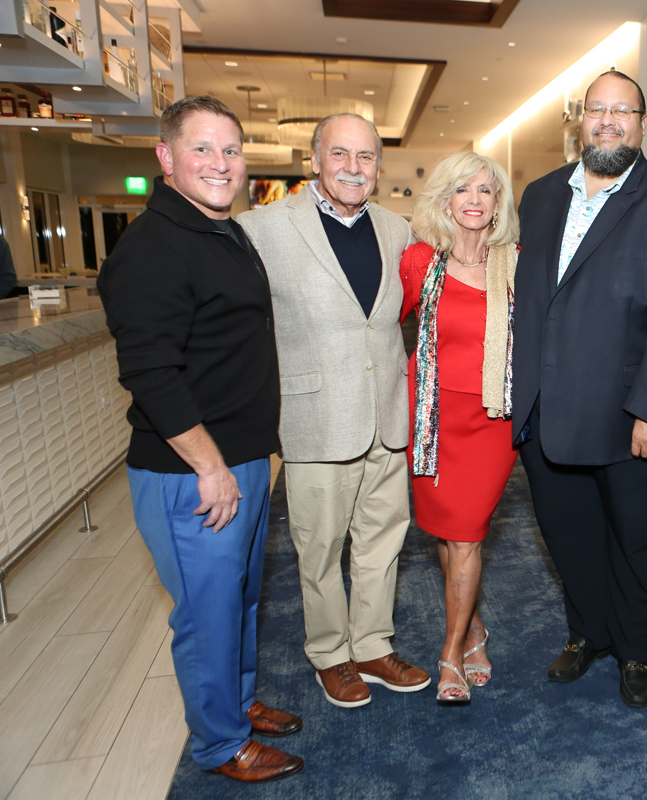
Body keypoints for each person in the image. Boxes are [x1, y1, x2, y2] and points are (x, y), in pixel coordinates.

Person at [98, 96, 302, 783]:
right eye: (203, 149)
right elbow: (150, 374)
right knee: (208, 613)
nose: (221, 164)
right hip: (191, 470)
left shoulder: (221, 230)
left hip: (240, 458)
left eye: (231, 150)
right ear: (166, 157)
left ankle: (235, 705)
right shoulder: (151, 248)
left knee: (240, 597)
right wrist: (211, 468)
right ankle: (219, 744)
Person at [512, 70, 647, 708]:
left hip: (631, 417)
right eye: (597, 109)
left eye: (622, 111)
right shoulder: (540, 195)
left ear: (643, 124)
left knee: (637, 540)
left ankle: (634, 650)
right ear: (581, 120)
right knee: (567, 536)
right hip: (547, 411)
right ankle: (588, 633)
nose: (608, 121)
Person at [239, 113, 429, 709]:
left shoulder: (398, 229)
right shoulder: (262, 228)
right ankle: (329, 653)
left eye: (366, 156)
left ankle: (371, 645)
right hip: (315, 418)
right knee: (319, 548)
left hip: (386, 415)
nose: (353, 167)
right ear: (315, 160)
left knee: (383, 540)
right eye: (340, 154)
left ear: (379, 166)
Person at [399, 151, 519, 705]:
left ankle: (449, 653)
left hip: (492, 420)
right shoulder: (418, 262)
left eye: (485, 190)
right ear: (444, 200)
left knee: (467, 533)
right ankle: (472, 631)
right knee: (448, 533)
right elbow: (380, 327)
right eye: (463, 189)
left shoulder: (516, 264)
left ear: (498, 203)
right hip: (432, 417)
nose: (474, 199)